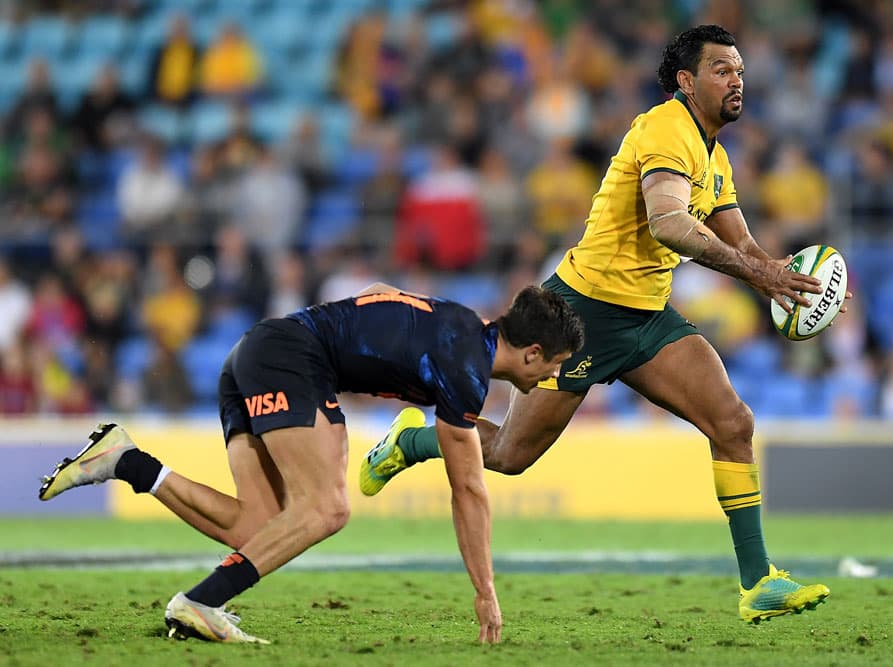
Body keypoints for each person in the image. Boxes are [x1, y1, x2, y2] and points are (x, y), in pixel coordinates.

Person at [361, 25, 850, 624]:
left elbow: (739, 240)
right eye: (722, 70)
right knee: (511, 456)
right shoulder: (666, 129)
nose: (737, 80)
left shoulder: (713, 153)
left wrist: (785, 281)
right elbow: (670, 223)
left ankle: (758, 583)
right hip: (581, 314)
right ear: (687, 82)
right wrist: (762, 274)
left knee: (733, 423)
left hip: (646, 317)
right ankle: (410, 439)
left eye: (741, 70)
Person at [39, 284, 584, 644]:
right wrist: (486, 592)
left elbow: (375, 296)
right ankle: (199, 602)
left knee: (260, 529)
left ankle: (127, 462)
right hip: (291, 359)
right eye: (554, 366)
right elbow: (468, 489)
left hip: (260, 353)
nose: (549, 381)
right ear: (532, 352)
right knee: (326, 508)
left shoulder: (461, 324)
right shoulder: (466, 369)